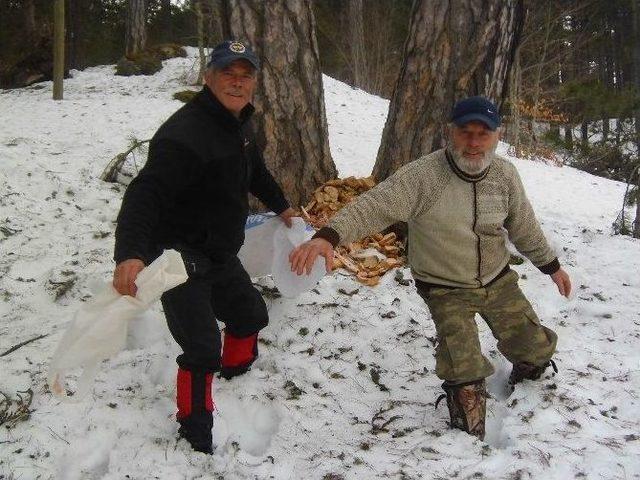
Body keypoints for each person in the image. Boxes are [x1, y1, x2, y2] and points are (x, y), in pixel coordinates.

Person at [289, 96, 572, 440]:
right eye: (465, 132)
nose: (473, 142)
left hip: (497, 279)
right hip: (444, 284)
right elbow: (375, 206)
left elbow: (524, 226)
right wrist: (328, 236)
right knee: (462, 366)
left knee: (536, 349)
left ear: (498, 136)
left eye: (482, 134)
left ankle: (525, 381)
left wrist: (550, 265)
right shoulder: (424, 176)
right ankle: (469, 432)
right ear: (449, 133)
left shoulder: (505, 175)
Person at [112, 40, 296, 454]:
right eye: (227, 73)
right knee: (200, 347)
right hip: (176, 257)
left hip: (218, 252)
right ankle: (195, 430)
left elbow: (256, 173)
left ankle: (236, 372)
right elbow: (144, 194)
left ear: (254, 83)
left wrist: (283, 207)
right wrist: (130, 253)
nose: (237, 81)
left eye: (245, 74)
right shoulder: (183, 134)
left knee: (250, 314)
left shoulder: (240, 125)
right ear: (208, 77)